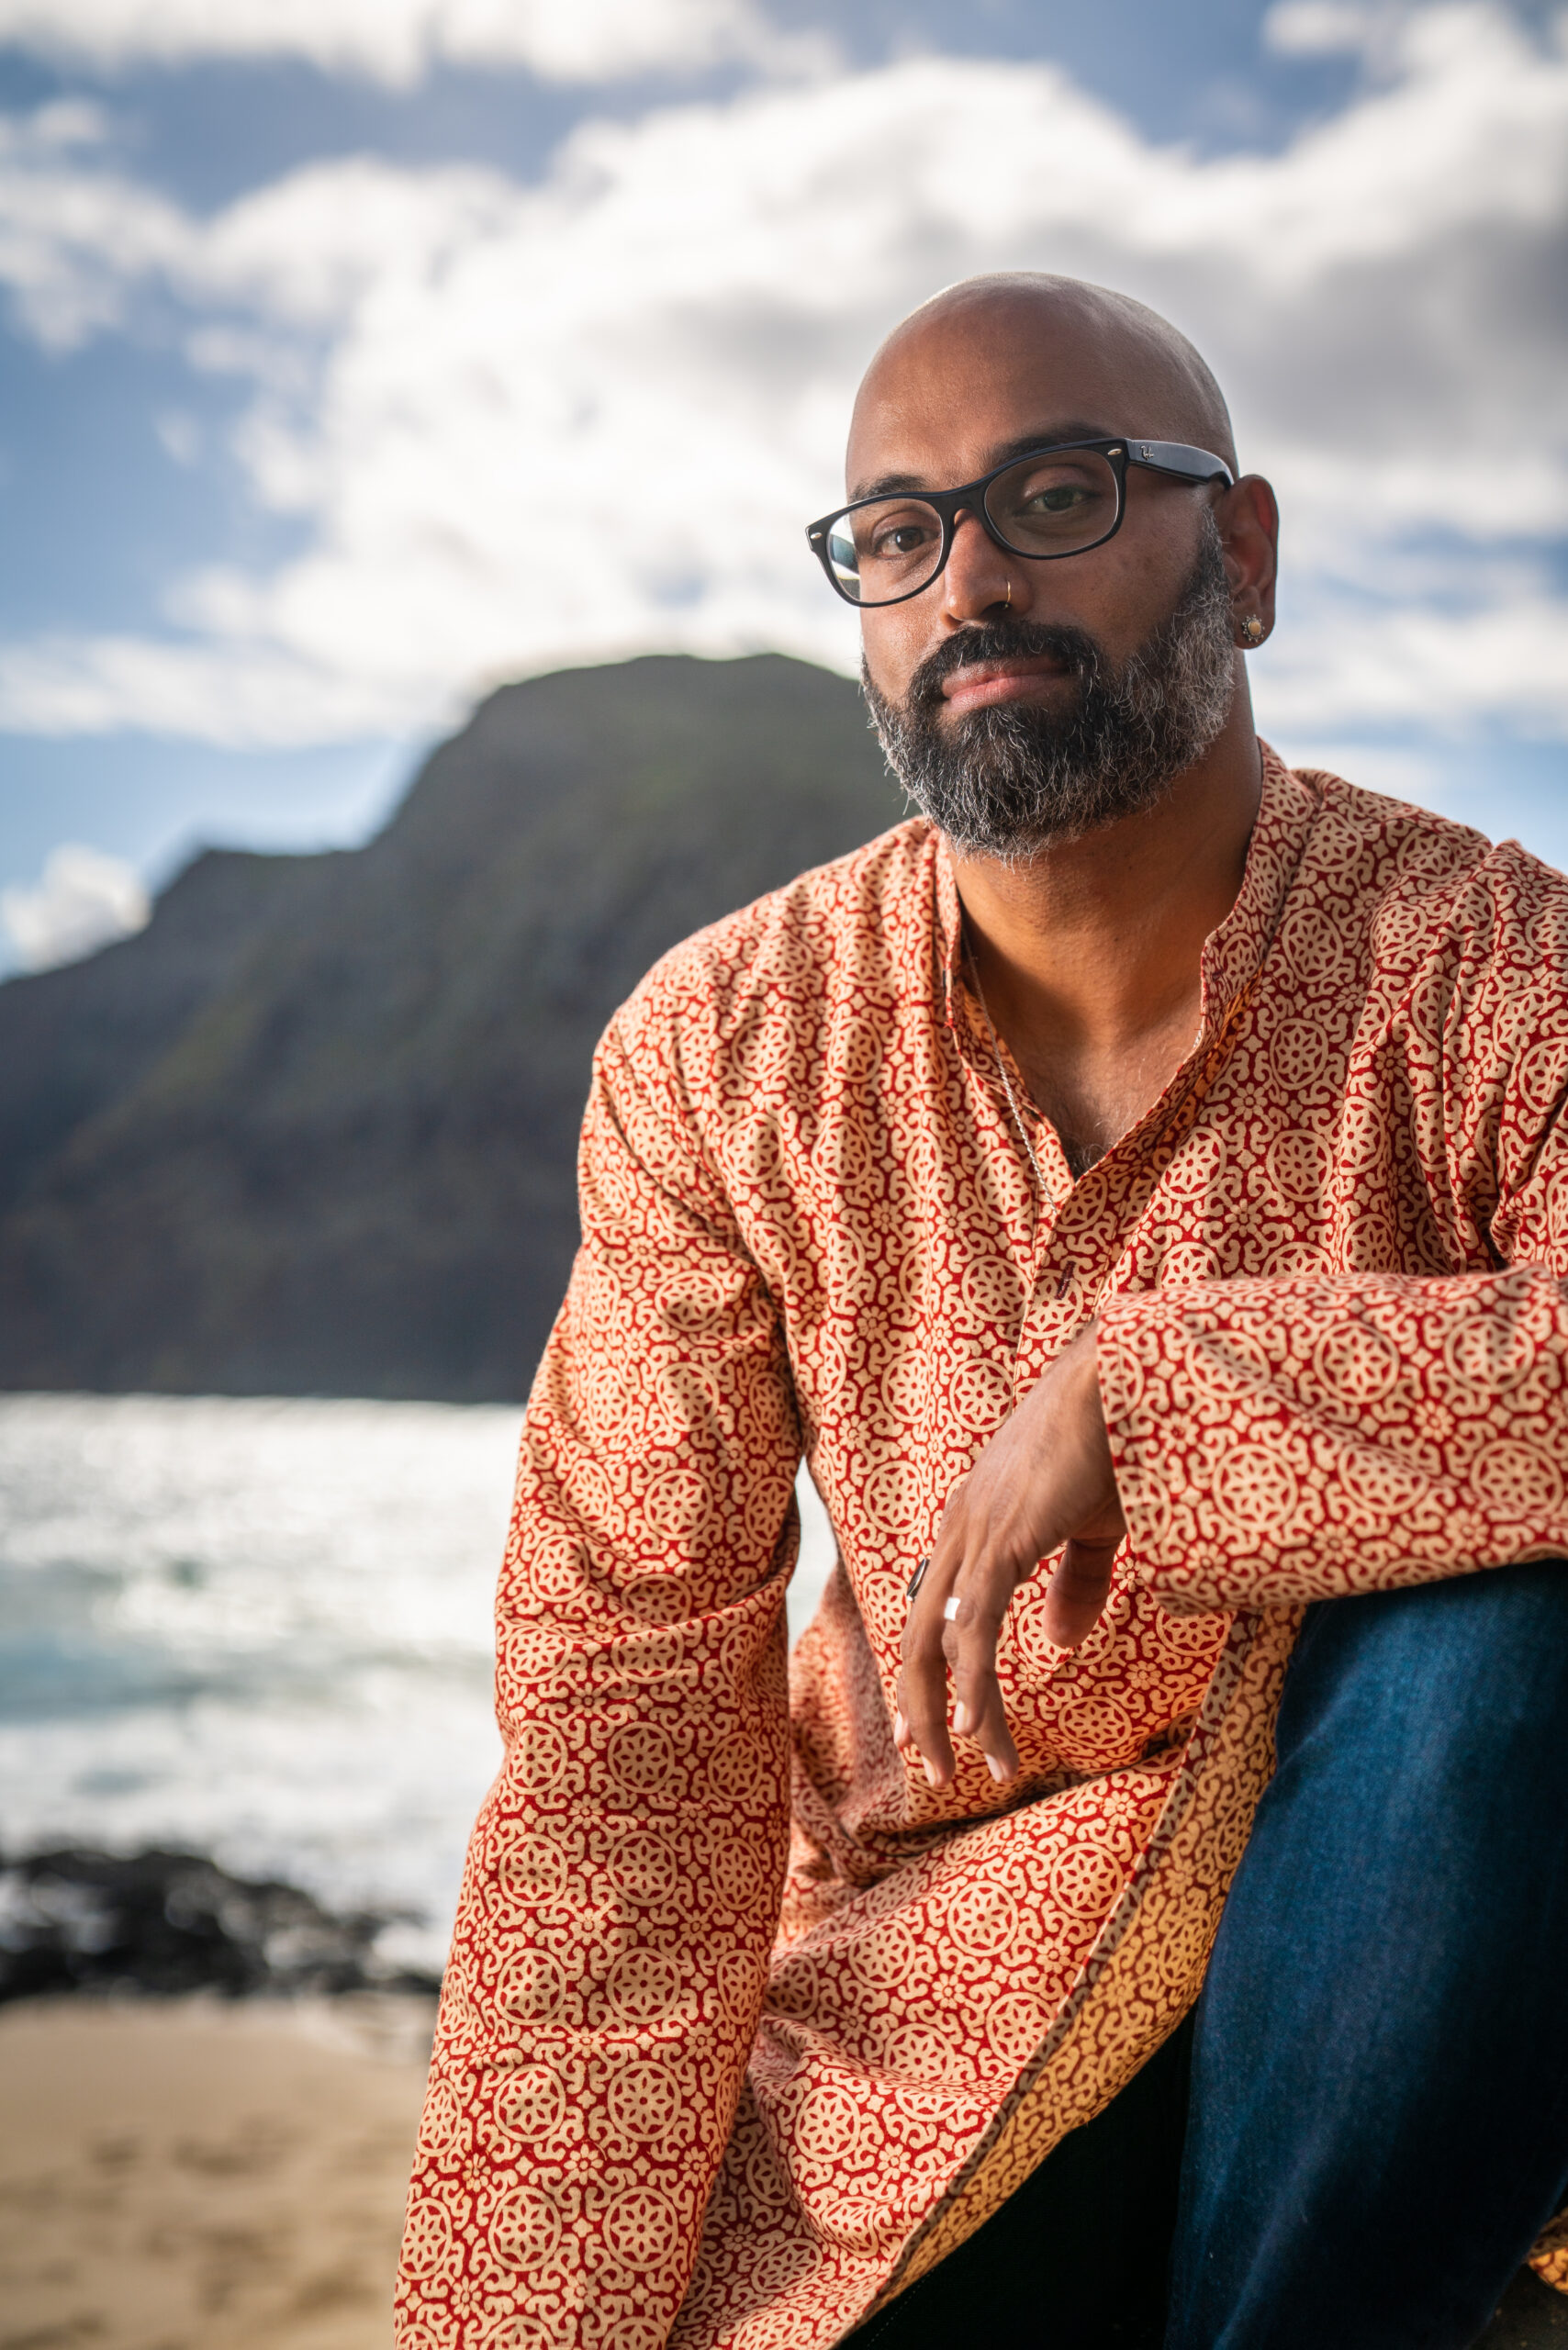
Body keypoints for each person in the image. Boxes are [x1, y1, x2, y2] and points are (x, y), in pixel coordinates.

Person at [396, 274, 1568, 2350]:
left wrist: (1165, 1396)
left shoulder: (1489, 966)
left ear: (1243, 553)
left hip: (1421, 1947)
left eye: (1055, 493)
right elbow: (621, 1735)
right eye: (898, 532)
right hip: (937, 2010)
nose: (970, 581)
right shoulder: (723, 1049)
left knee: (1509, 1632)